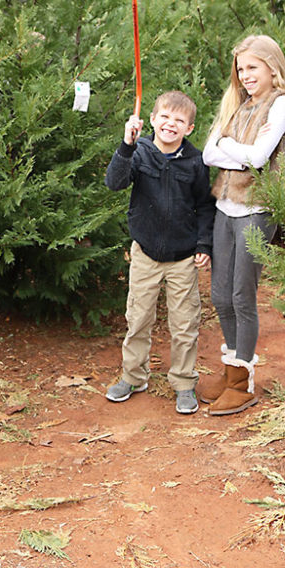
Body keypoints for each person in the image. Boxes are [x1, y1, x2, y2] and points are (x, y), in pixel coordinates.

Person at [201, 35, 285, 416]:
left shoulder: (281, 104)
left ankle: (244, 382)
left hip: (257, 209)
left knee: (242, 296)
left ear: (272, 68)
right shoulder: (239, 105)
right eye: (240, 69)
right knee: (220, 296)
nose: (244, 76)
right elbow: (210, 152)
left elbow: (260, 157)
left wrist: (231, 149)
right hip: (225, 206)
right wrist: (233, 152)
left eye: (252, 67)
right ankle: (231, 372)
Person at [104, 91, 215, 415]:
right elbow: (114, 182)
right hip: (146, 254)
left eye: (179, 120)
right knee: (138, 318)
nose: (171, 124)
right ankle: (133, 376)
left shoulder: (195, 161)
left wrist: (203, 245)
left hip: (182, 258)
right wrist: (126, 144)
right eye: (165, 117)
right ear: (152, 119)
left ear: (190, 128)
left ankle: (183, 383)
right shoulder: (139, 152)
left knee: (184, 324)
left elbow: (205, 206)